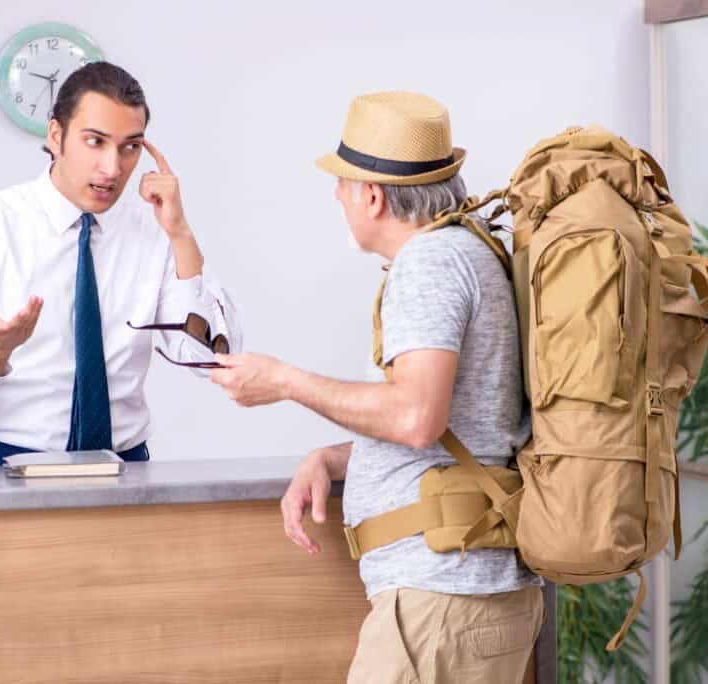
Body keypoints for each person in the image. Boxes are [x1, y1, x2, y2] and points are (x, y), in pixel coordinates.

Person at [210, 91, 541, 682]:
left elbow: (417, 417)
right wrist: (333, 458)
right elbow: (465, 422)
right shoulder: (473, 250)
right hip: (466, 596)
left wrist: (285, 381)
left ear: (373, 194)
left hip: (439, 602)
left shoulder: (429, 264)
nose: (336, 195)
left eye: (342, 183)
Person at [0, 61, 240, 466]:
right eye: (95, 142)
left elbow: (214, 360)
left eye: (130, 147)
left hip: (124, 470)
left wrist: (181, 234)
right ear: (56, 135)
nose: (113, 168)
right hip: (2, 468)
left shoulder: (156, 233)